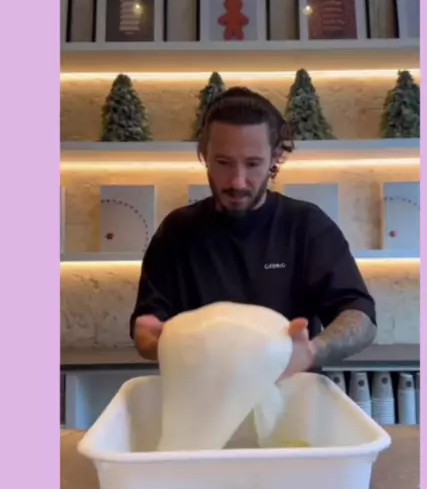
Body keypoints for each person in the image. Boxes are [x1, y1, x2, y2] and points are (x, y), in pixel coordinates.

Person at [130, 87, 377, 377]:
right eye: (223, 163)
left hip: (290, 394)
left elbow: (359, 316)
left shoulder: (307, 225)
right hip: (202, 395)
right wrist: (153, 339)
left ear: (275, 157)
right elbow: (148, 325)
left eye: (252, 163)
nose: (237, 181)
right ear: (203, 154)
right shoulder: (176, 231)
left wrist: (313, 350)